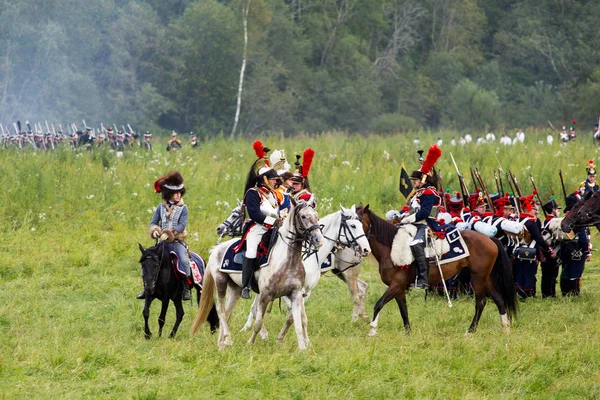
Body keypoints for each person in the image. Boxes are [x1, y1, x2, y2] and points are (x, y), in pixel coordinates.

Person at [138, 171, 192, 300]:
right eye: (175, 192)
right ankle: (146, 288)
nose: (178, 195)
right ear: (169, 194)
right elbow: (153, 222)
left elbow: (181, 226)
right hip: (162, 243)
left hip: (176, 242)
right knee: (147, 260)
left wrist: (169, 234)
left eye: (180, 192)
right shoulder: (160, 208)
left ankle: (186, 288)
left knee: (184, 261)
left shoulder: (183, 209)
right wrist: (155, 231)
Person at [240, 141, 282, 299]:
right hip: (257, 228)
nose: (275, 182)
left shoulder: (271, 194)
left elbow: (275, 212)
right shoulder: (253, 193)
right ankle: (245, 286)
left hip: (273, 228)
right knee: (251, 250)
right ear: (264, 179)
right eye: (272, 179)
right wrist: (273, 221)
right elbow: (255, 213)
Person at [398, 144, 442, 289]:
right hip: (415, 224)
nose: (414, 182)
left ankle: (423, 279)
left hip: (426, 225)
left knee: (416, 244)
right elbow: (411, 209)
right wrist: (401, 215)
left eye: (416, 180)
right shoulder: (419, 193)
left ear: (423, 179)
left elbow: (424, 213)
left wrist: (408, 219)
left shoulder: (428, 193)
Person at [514, 192, 556, 299]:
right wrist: (549, 249)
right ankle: (528, 294)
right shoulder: (532, 222)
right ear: (529, 209)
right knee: (529, 273)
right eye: (534, 209)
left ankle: (520, 293)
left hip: (519, 250)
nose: (535, 211)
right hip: (530, 251)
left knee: (520, 272)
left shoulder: (518, 220)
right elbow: (539, 239)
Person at [560, 193, 589, 296]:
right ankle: (573, 292)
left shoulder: (563, 219)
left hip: (564, 249)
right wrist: (586, 250)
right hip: (577, 249)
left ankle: (564, 291)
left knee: (565, 270)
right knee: (576, 271)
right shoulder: (578, 219)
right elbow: (583, 238)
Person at [540, 197, 561, 298]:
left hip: (544, 251)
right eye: (557, 209)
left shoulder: (544, 221)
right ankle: (550, 294)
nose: (558, 211)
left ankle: (546, 293)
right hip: (552, 250)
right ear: (553, 210)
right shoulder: (555, 222)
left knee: (545, 274)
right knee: (552, 274)